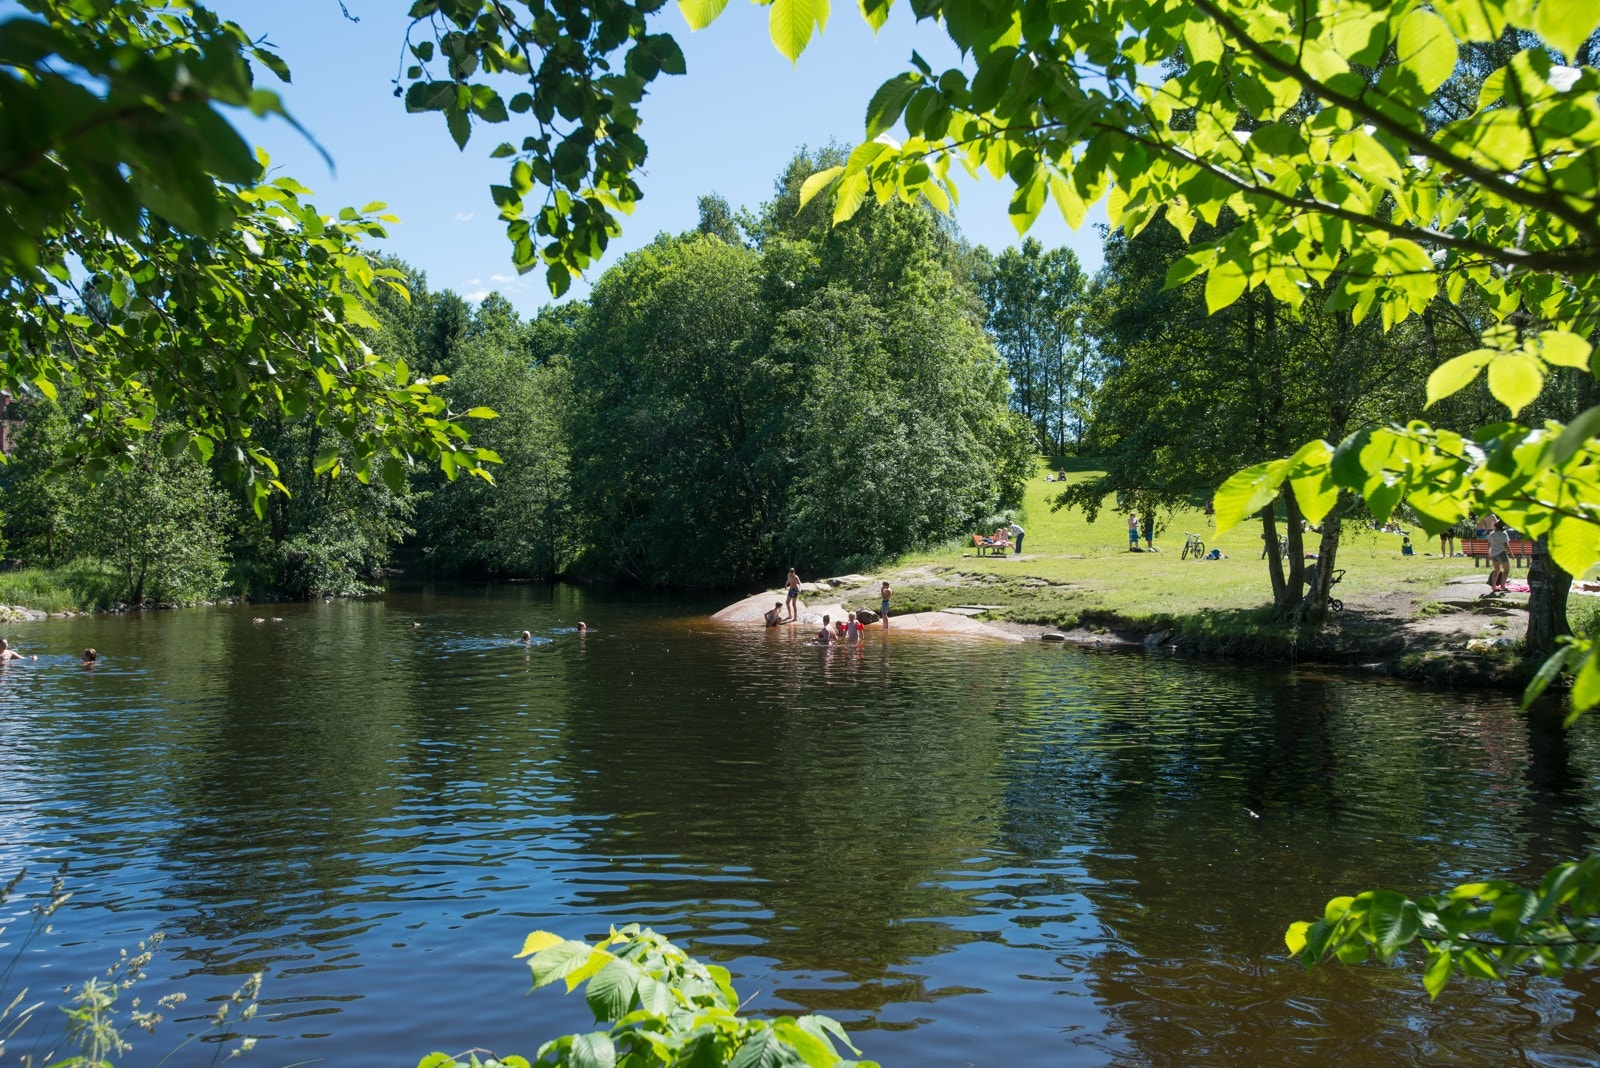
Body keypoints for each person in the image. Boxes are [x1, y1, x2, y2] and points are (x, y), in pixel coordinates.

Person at [1487, 520, 1511, 592]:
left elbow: (1489, 545)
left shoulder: (1492, 534)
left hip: (1494, 554)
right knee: (1506, 570)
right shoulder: (1503, 534)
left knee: (1496, 570)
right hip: (1502, 553)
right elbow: (1506, 545)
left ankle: (1494, 587)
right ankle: (1503, 586)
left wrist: (1489, 554)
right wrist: (1511, 553)